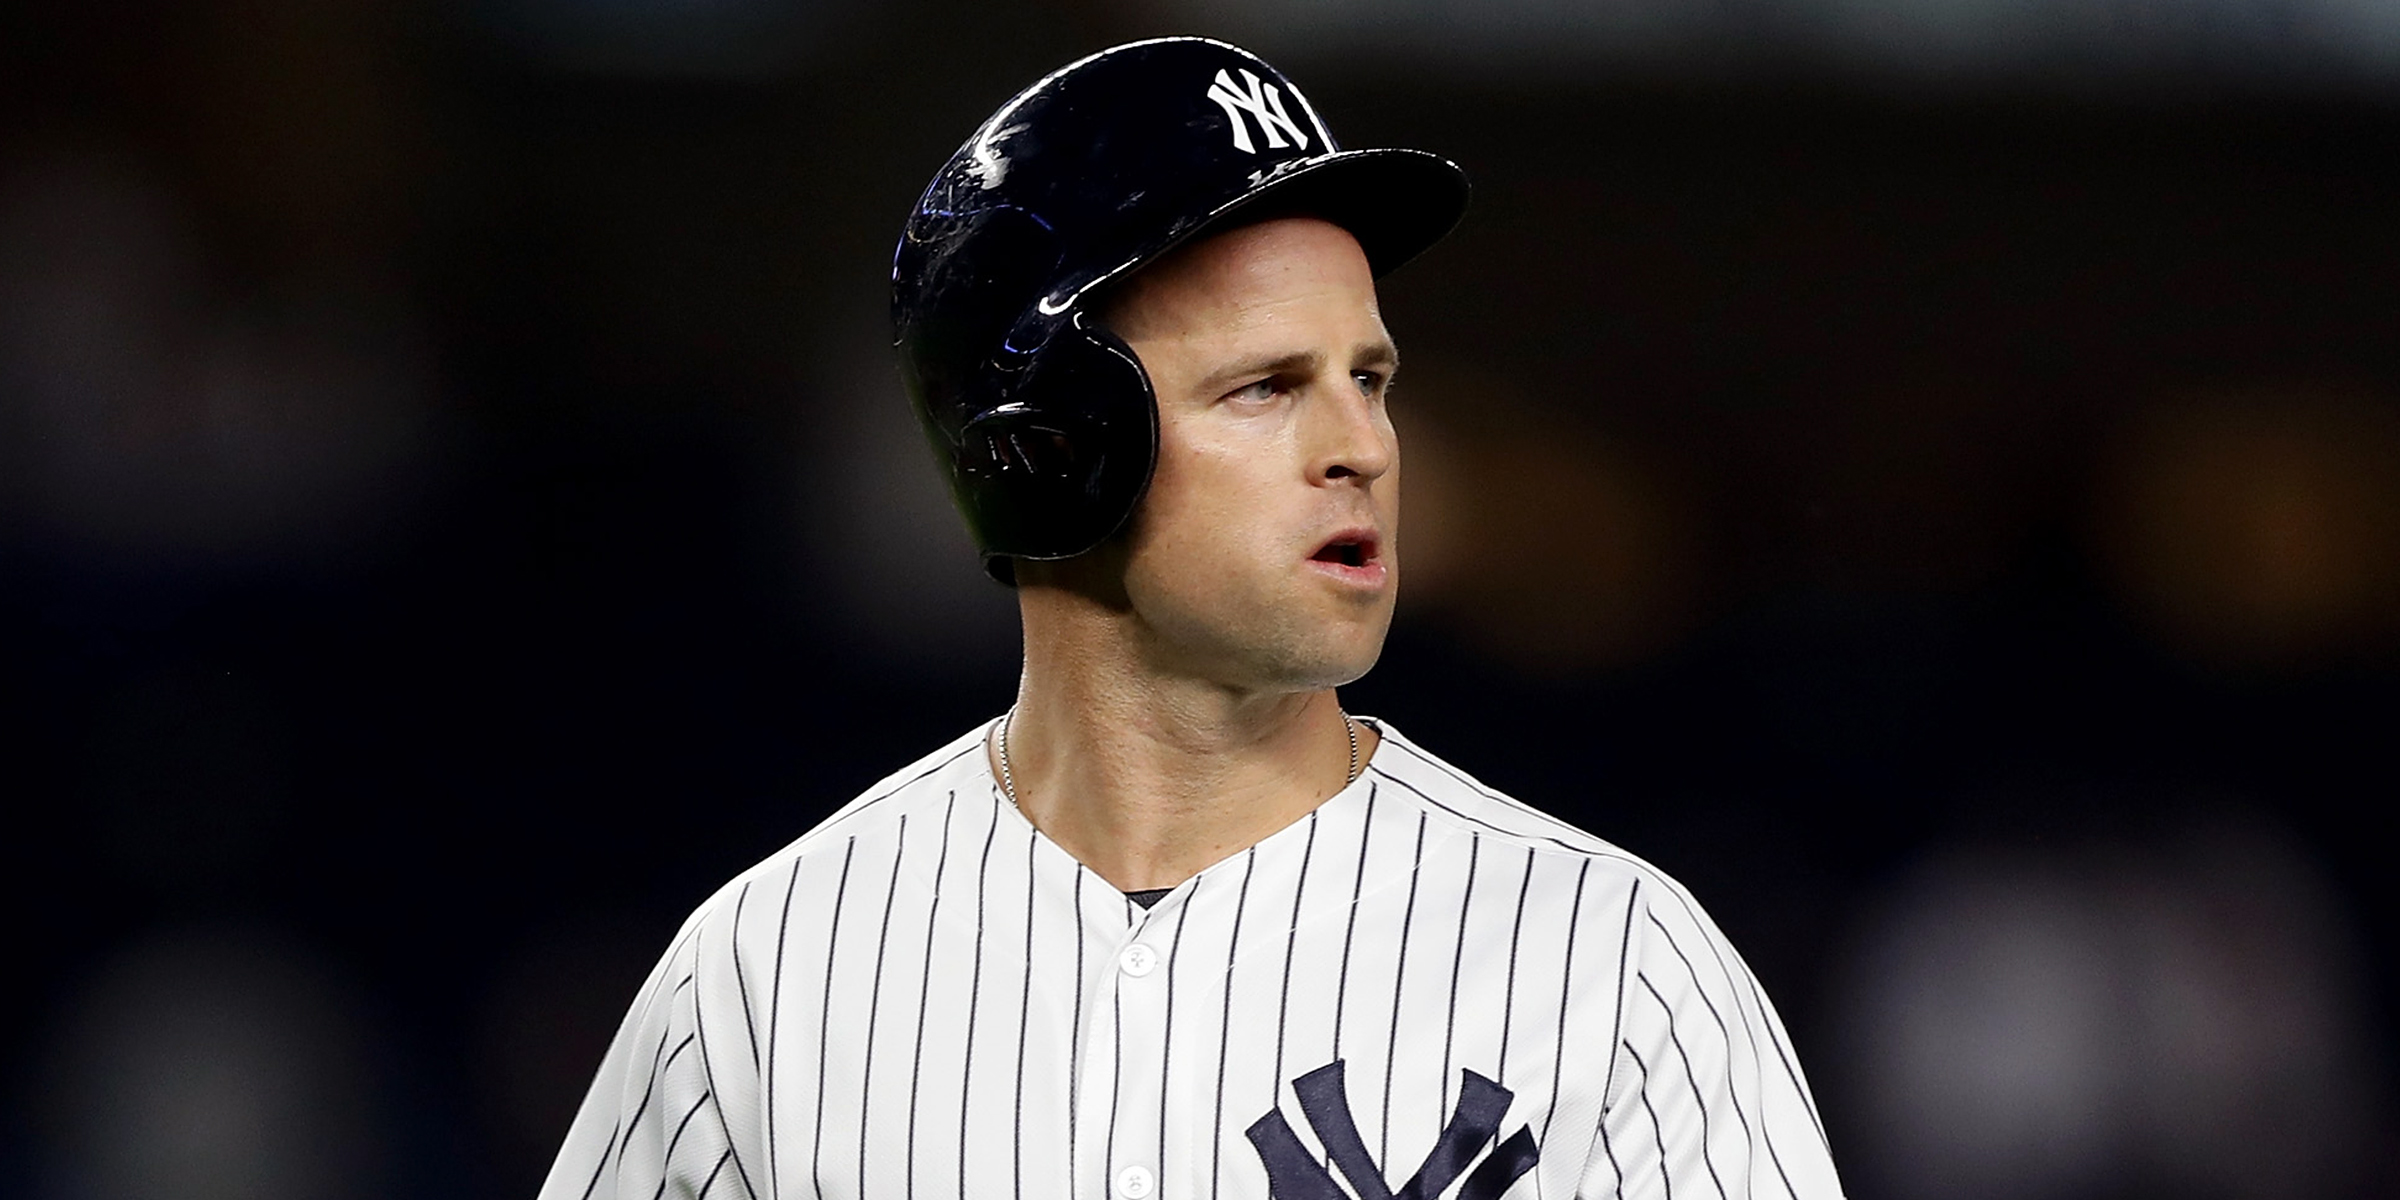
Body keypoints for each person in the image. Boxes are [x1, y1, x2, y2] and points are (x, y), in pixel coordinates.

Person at [539, 36, 1843, 1200]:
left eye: (1369, 378)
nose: (1365, 448)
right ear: (1050, 449)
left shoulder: (1611, 964)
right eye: (1268, 387)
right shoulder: (773, 974)